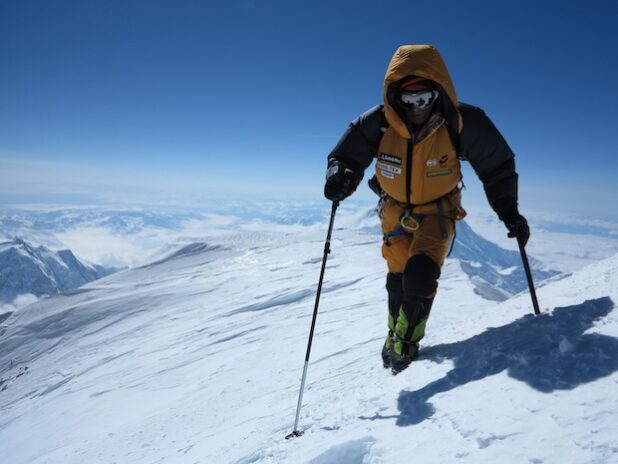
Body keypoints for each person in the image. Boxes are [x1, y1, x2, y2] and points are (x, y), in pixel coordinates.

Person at [323, 45, 529, 374]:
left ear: (439, 92)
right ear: (395, 97)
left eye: (425, 97)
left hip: (439, 210)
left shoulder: (460, 122)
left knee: (420, 273)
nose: (417, 107)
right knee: (398, 277)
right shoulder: (378, 123)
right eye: (408, 99)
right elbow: (347, 155)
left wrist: (509, 211)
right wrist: (340, 176)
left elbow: (497, 165)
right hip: (393, 211)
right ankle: (394, 332)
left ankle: (406, 342)